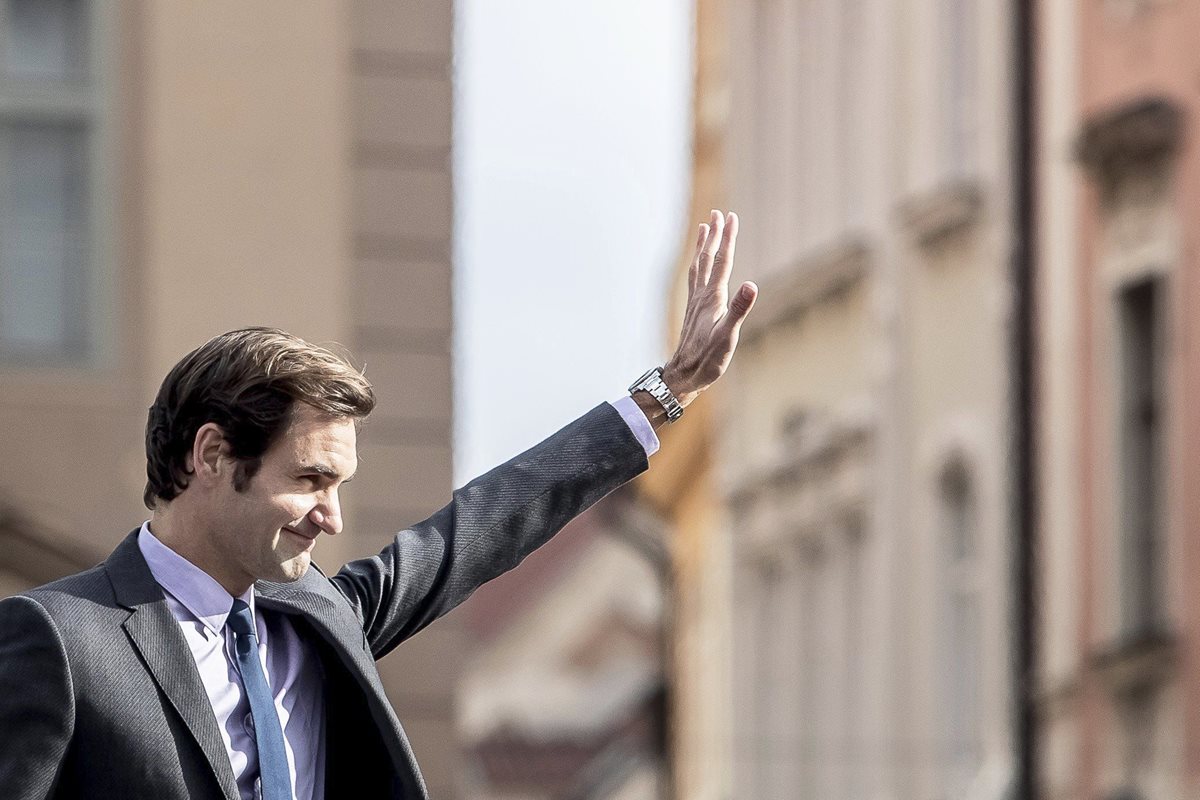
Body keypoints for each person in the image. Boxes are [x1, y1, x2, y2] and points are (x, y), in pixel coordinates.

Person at [0, 211, 757, 800]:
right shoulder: (63, 644)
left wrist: (668, 391)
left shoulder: (322, 615)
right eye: (307, 480)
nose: (328, 517)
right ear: (210, 455)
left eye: (338, 487)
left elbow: (482, 524)